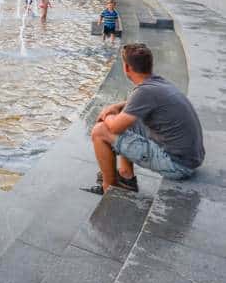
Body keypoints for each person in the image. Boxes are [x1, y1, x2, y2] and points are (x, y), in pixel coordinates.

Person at [85, 43, 205, 195]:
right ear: (150, 65)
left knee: (100, 131)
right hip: (190, 157)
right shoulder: (156, 82)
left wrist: (107, 114)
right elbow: (135, 105)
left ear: (127, 68)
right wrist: (117, 107)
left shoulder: (144, 92)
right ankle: (126, 176)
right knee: (128, 119)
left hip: (178, 165)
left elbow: (115, 127)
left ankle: (109, 187)